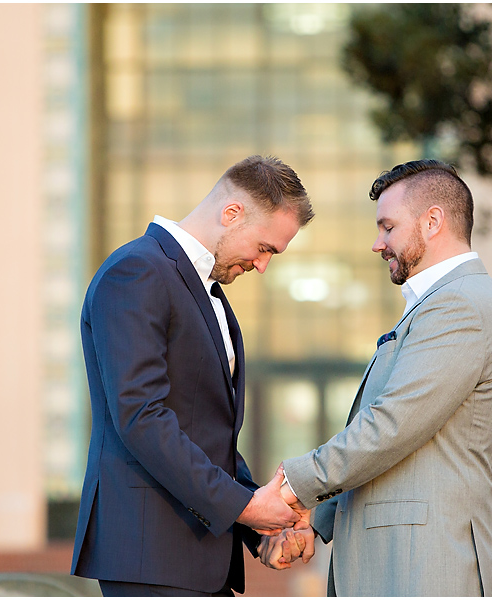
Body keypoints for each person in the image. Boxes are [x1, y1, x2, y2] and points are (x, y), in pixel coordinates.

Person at [260, 159, 492, 596]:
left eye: (388, 227)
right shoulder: (438, 303)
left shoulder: (459, 307)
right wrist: (317, 520)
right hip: (403, 565)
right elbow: (398, 448)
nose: (378, 244)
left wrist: (291, 485)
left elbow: (390, 428)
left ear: (432, 221)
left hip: (426, 568)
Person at [71, 155, 315, 596]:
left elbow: (206, 434)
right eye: (264, 248)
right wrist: (245, 507)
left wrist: (257, 527)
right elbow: (141, 417)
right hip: (151, 558)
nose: (263, 266)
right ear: (232, 213)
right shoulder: (138, 271)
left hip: (199, 559)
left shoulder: (209, 292)